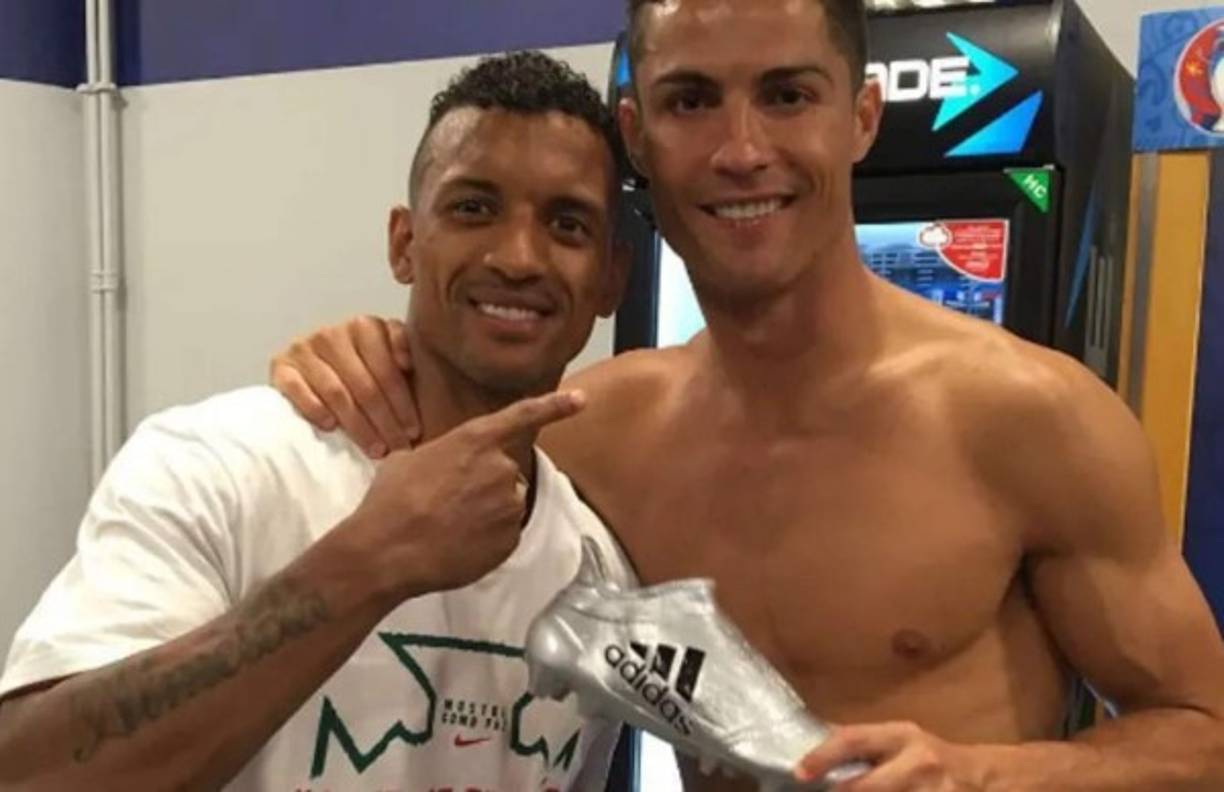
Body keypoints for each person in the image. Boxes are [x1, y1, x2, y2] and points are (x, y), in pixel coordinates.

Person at [271, 1, 1224, 789]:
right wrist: (364, 354)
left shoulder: (1029, 418)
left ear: (859, 117)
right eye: (692, 101)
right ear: (638, 135)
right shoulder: (599, 432)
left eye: (786, 96)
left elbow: (1202, 731)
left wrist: (977, 775)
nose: (741, 149)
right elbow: (436, 429)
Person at [0, 51, 634, 791]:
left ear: (611, 279)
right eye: (473, 207)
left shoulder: (599, 573)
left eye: (567, 224)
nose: (519, 257)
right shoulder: (219, 466)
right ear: (403, 243)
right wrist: (367, 563)